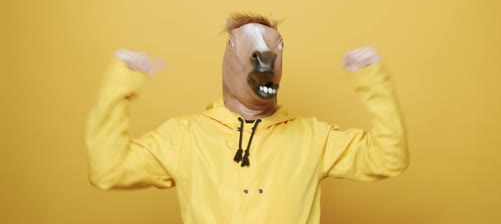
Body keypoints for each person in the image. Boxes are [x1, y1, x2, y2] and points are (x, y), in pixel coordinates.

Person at [86, 13, 409, 223]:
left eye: (273, 53)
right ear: (229, 57)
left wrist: (372, 82)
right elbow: (108, 171)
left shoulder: (313, 137)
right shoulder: (185, 137)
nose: (264, 64)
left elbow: (387, 160)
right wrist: (120, 87)